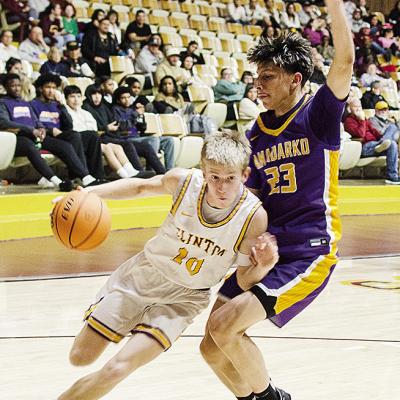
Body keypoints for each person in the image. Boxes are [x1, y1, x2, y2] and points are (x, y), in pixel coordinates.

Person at [200, 1, 355, 399]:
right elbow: (250, 198)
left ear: (296, 79)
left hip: (309, 249)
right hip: (268, 248)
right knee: (211, 346)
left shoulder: (317, 114)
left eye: (268, 77)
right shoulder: (255, 134)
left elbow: (346, 60)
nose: (259, 85)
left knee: (224, 329)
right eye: (257, 78)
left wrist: (335, 7)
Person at [57, 131, 279, 400]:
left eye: (230, 178)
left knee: (117, 369)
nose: (221, 187)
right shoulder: (184, 182)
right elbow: (140, 187)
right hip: (142, 277)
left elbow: (243, 280)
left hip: (183, 299)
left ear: (244, 175)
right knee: (80, 357)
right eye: (214, 177)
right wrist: (87, 194)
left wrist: (263, 267)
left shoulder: (254, 216)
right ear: (203, 170)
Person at [0, 73, 72, 191]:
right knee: (29, 146)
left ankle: (83, 177)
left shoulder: (25, 103)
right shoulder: (3, 102)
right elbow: (5, 123)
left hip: (34, 137)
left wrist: (41, 128)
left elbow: (35, 120)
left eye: (18, 85)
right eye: (13, 86)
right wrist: (30, 129)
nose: (17, 88)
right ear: (6, 87)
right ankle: (56, 181)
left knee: (63, 145)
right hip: (15, 138)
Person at [31, 73, 103, 186]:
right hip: (44, 137)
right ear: (40, 88)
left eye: (54, 88)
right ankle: (83, 176)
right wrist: (50, 130)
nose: (51, 91)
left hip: (60, 135)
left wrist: (62, 105)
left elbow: (69, 125)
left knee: (92, 136)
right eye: (48, 87)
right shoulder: (33, 104)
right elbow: (32, 123)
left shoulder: (56, 105)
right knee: (74, 136)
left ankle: (97, 176)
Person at [64, 84, 140, 179]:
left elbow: (94, 129)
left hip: (93, 140)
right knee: (107, 148)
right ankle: (124, 176)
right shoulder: (65, 111)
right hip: (79, 142)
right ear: (66, 99)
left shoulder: (85, 113)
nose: (76, 100)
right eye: (72, 97)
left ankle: (131, 171)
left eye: (78, 96)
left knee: (117, 147)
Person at [82, 84, 155, 178]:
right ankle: (138, 172)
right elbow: (91, 129)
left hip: (111, 136)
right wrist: (107, 128)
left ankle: (157, 172)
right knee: (127, 144)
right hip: (99, 138)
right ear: (88, 95)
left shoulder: (103, 107)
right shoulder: (86, 108)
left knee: (146, 145)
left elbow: (116, 122)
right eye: (94, 94)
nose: (97, 97)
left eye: (99, 94)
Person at [344, 98, 400, 184]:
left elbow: (373, 131)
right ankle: (383, 145)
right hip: (365, 147)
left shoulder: (364, 119)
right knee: (390, 143)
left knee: (392, 139)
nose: (358, 108)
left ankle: (392, 177)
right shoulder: (349, 121)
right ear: (349, 108)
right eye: (355, 106)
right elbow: (361, 134)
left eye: (359, 106)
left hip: (376, 143)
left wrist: (382, 137)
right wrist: (362, 120)